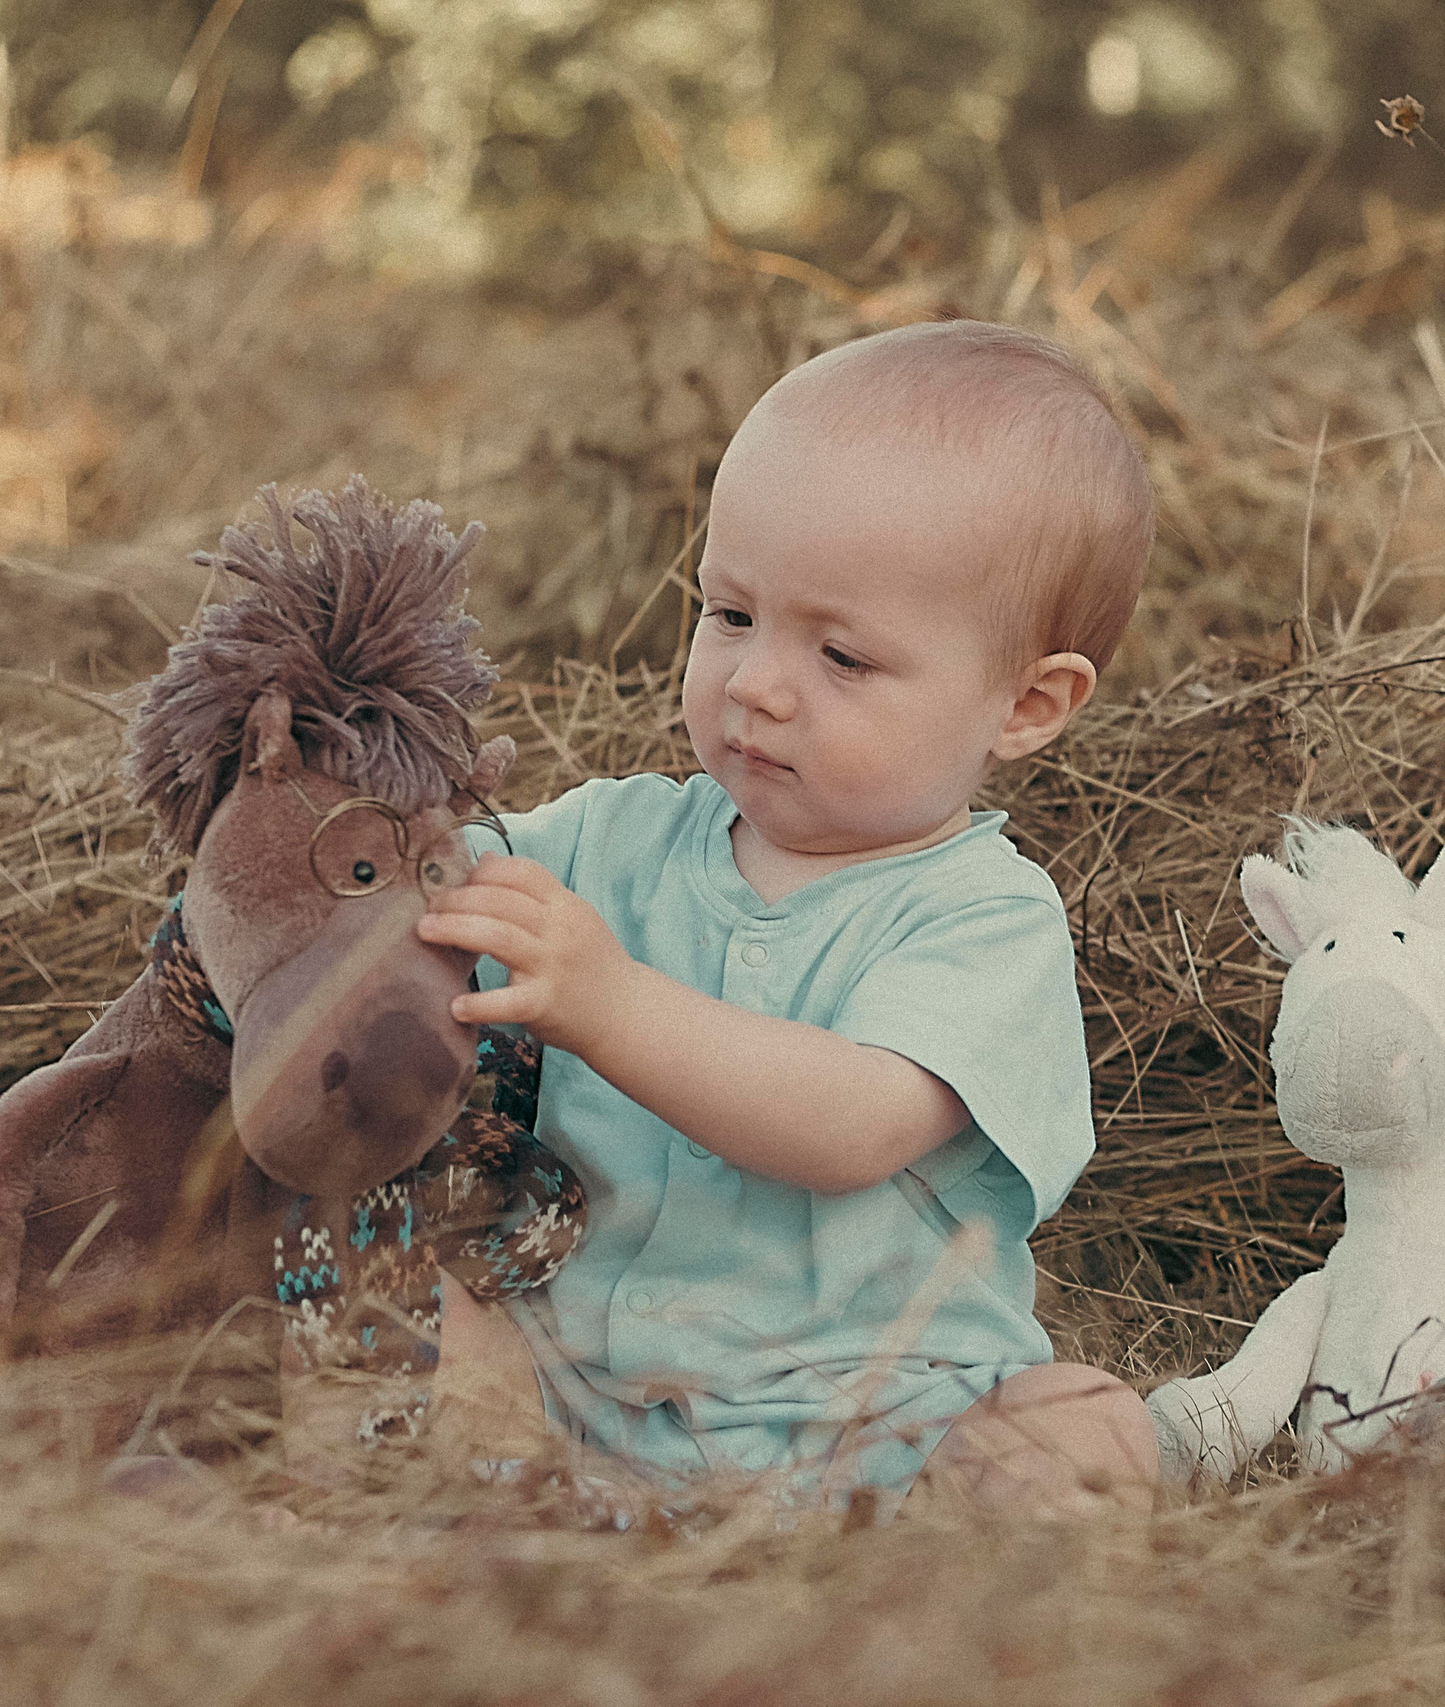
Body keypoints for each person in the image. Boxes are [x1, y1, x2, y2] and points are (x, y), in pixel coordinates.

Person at [416, 319, 1159, 1520]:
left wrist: (607, 1003)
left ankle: (911, 1599)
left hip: (876, 1440)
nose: (757, 682)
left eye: (844, 657)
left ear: (1025, 703)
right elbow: (425, 887)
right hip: (569, 1396)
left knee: (1082, 1435)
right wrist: (339, 843)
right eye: (729, 615)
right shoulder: (611, 841)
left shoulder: (983, 919)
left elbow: (849, 1125)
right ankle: (527, 1521)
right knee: (392, 1299)